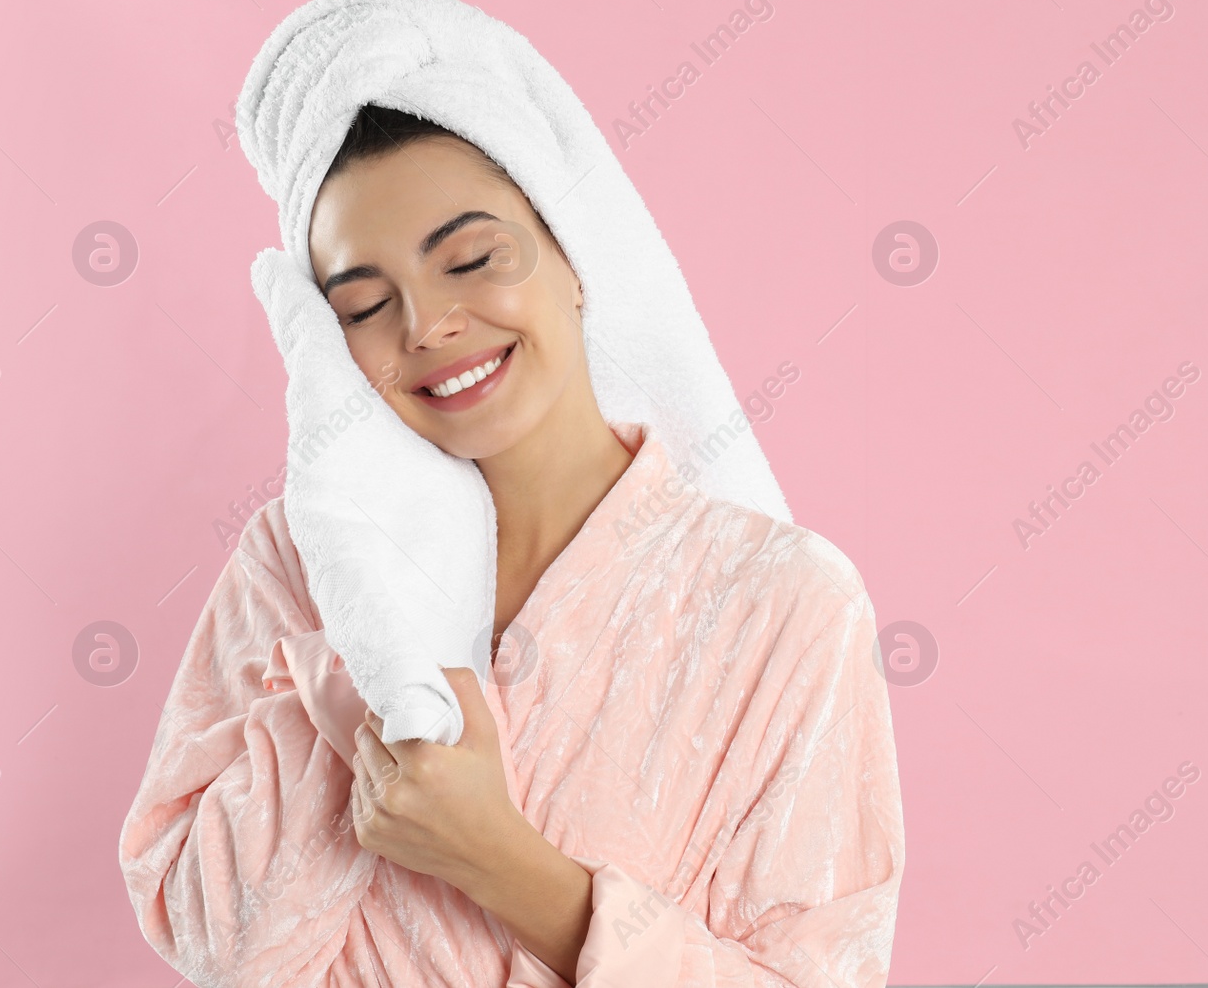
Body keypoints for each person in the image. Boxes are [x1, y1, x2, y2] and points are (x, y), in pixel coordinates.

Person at [120, 98, 903, 986]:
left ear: (573, 255)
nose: (425, 327)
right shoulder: (292, 559)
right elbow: (216, 946)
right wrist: (362, 629)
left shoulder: (786, 602)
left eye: (470, 259)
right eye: (367, 305)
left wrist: (502, 862)